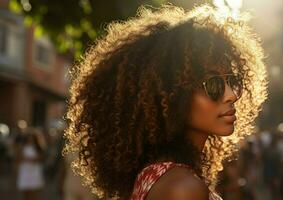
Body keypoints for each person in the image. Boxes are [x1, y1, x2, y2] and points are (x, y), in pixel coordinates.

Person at [63, 4, 267, 200]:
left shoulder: (161, 174)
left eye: (232, 81)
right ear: (174, 94)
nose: (231, 94)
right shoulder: (181, 188)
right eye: (213, 84)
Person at [15, 127, 47, 200]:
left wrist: (34, 159)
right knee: (25, 191)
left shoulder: (38, 147)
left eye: (32, 137)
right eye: (29, 137)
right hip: (25, 170)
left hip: (35, 171)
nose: (30, 139)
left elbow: (42, 158)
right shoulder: (23, 147)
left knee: (34, 191)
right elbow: (18, 157)